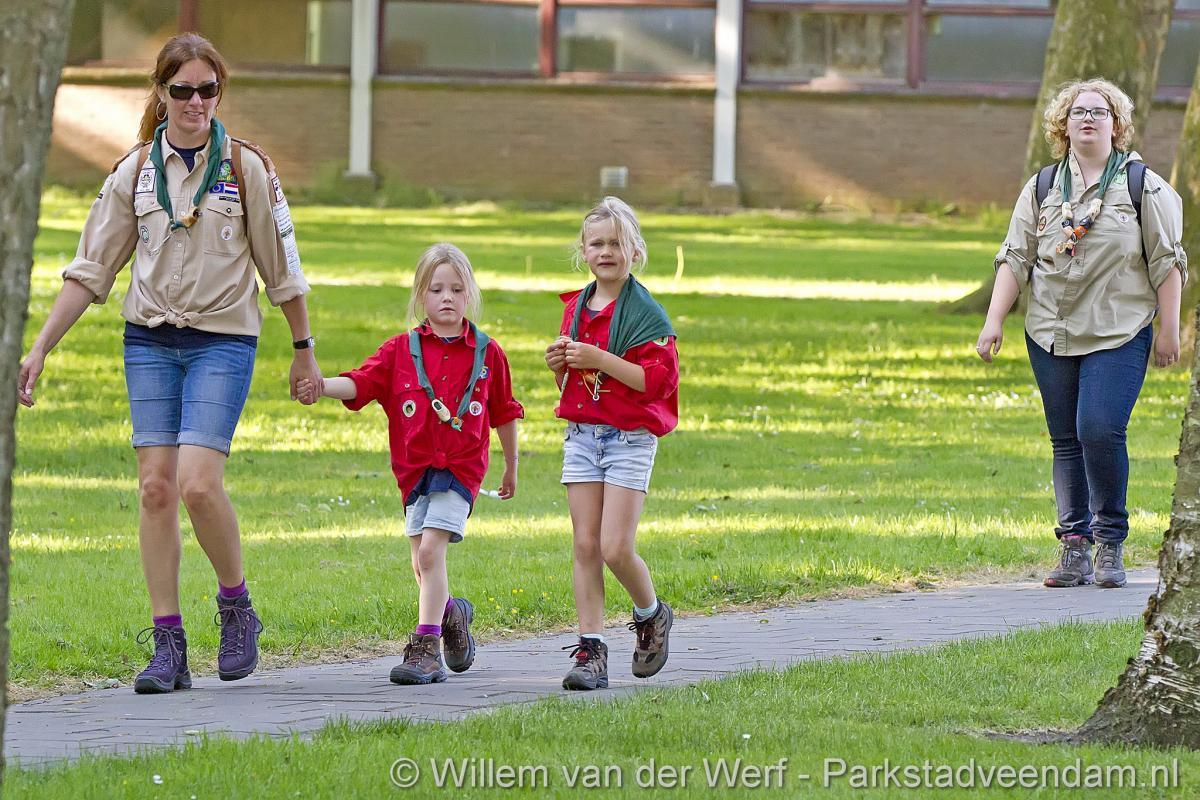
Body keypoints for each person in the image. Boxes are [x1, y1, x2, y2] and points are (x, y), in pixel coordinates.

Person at [17, 33, 320, 693]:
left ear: (219, 93)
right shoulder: (135, 171)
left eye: (207, 89)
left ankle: (236, 606)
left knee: (198, 485)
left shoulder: (246, 168)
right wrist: (39, 348)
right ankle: (168, 646)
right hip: (150, 342)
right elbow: (90, 269)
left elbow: (283, 270)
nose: (194, 102)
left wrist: (304, 352)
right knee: (155, 488)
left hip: (222, 342)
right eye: (181, 89)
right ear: (161, 92)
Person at [976, 78, 1186, 590]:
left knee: (1099, 428)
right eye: (1078, 112)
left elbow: (1168, 261)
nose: (1088, 118)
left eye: (1099, 112)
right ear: (1062, 126)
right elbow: (1016, 256)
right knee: (1066, 438)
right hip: (1050, 331)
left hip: (1118, 330)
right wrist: (994, 319)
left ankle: (1110, 541)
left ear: (1116, 125)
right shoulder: (1043, 186)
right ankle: (1074, 546)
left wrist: (1169, 329)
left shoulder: (1142, 186)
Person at [296, 243, 522, 685]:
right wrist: (321, 385)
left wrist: (511, 466)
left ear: (470, 294)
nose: (447, 298)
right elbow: (361, 383)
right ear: (421, 296)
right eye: (436, 290)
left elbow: (505, 412)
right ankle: (452, 613)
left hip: (460, 469)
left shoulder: (488, 353)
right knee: (421, 564)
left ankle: (426, 649)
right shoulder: (401, 350)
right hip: (414, 471)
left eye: (457, 289)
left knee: (432, 552)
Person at [545, 196, 679, 691]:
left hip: (628, 439)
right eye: (596, 243)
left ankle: (651, 614)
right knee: (585, 544)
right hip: (583, 435)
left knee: (615, 546)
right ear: (583, 251)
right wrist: (559, 363)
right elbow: (575, 377)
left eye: (616, 243)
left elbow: (656, 383)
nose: (606, 252)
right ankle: (591, 649)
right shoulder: (577, 308)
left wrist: (599, 359)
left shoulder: (646, 315)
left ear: (634, 251)